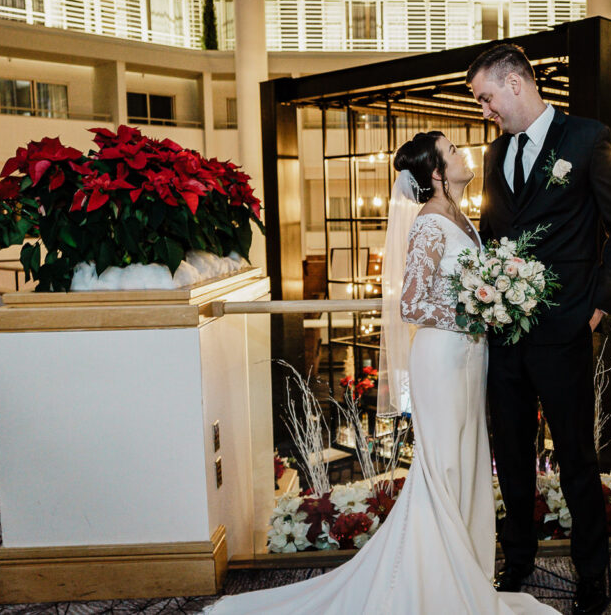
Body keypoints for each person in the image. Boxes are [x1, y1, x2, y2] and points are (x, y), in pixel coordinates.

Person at [206, 132, 558, 614]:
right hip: (443, 359)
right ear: (436, 173)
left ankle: (463, 575)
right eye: (452, 151)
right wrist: (479, 309)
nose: (462, 155)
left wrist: (487, 301)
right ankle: (436, 584)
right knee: (443, 466)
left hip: (471, 358)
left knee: (467, 461)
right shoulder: (430, 225)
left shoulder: (460, 216)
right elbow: (412, 303)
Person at [469, 44, 611, 615]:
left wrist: (597, 307)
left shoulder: (588, 139)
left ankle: (593, 574)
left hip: (566, 330)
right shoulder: (495, 155)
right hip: (504, 335)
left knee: (576, 458)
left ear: (515, 84)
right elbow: (496, 232)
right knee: (511, 456)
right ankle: (516, 560)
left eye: (486, 97)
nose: (485, 109)